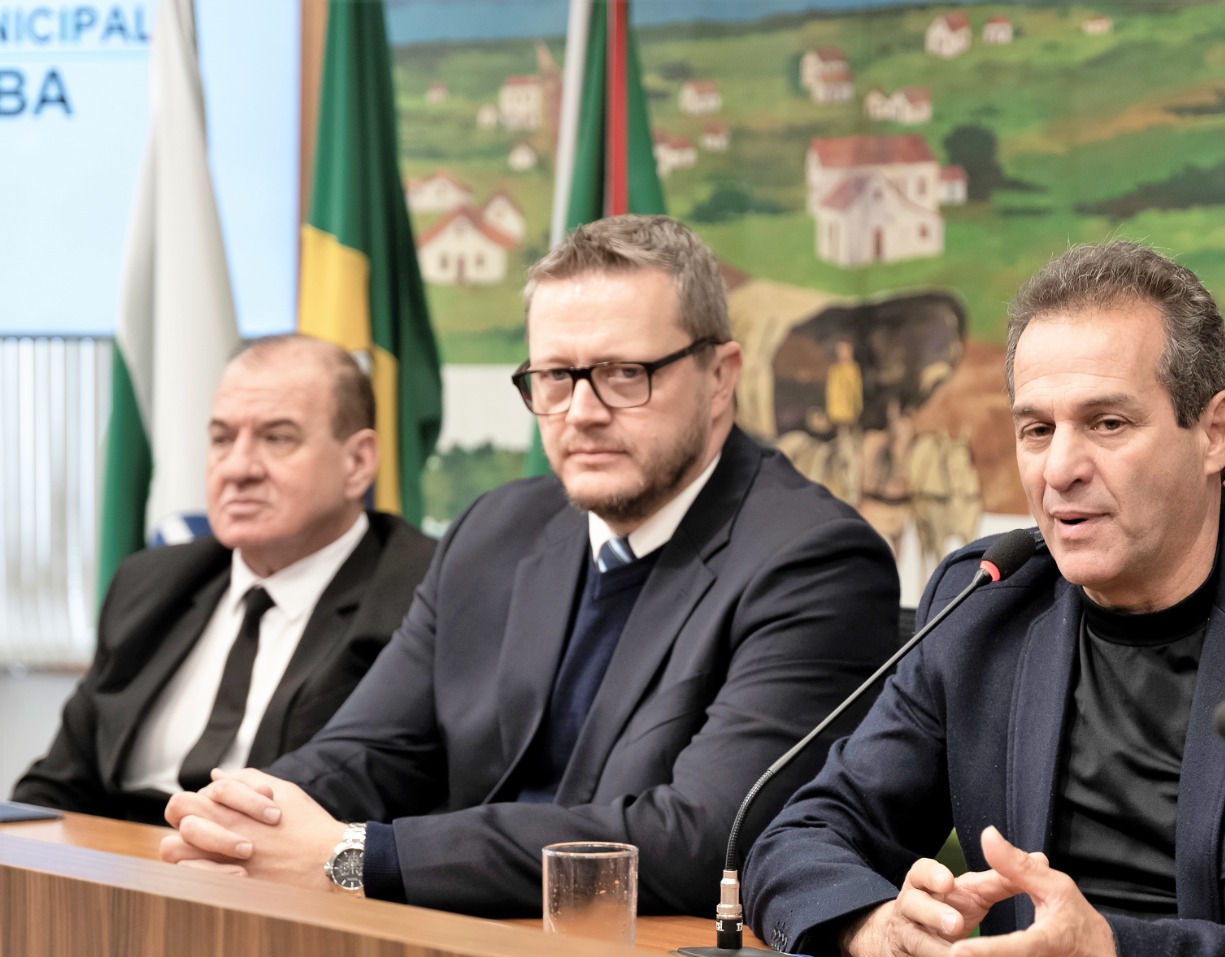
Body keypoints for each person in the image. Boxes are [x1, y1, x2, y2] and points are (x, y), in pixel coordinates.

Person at [744, 241, 1225, 957]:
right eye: (1036, 430)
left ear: (1215, 432)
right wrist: (878, 928)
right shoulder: (986, 601)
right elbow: (802, 836)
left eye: (1107, 423)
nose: (1060, 469)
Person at [158, 215, 901, 918]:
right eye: (553, 377)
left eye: (623, 373)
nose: (581, 411)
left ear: (719, 376)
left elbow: (701, 842)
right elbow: (372, 749)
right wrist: (245, 817)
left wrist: (358, 856)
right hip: (462, 944)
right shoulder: (496, 529)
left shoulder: (814, 561)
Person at [13, 335, 435, 824]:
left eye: (278, 438)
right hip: (118, 872)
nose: (237, 468)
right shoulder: (150, 583)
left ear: (358, 462)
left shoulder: (420, 593)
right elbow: (57, 786)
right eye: (221, 438)